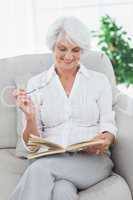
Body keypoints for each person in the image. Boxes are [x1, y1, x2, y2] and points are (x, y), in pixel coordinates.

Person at [10, 16, 117, 200]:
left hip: (92, 162)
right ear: (53, 47)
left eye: (75, 50)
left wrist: (104, 140)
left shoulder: (99, 81)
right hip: (52, 159)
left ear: (82, 50)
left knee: (39, 169)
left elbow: (108, 126)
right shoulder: (37, 84)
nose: (68, 56)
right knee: (62, 192)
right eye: (62, 49)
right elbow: (33, 145)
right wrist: (29, 117)